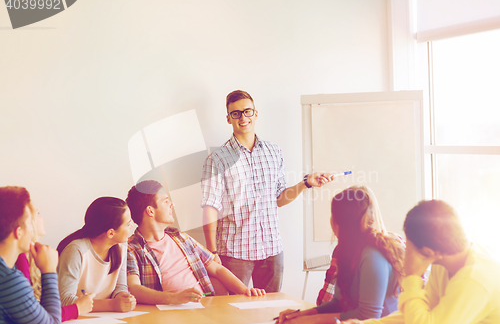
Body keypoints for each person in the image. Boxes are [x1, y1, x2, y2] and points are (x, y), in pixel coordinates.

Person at [201, 89, 334, 292]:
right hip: (235, 252)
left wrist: (305, 183)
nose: (243, 117)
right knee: (233, 313)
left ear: (255, 113)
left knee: (269, 312)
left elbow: (279, 198)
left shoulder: (274, 152)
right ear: (228, 119)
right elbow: (210, 207)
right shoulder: (217, 159)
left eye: (247, 111)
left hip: (271, 250)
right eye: (236, 113)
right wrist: (211, 251)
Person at [334, 200, 500, 324]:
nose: (406, 252)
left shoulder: (475, 278)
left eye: (409, 246)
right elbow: (420, 318)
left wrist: (412, 277)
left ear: (428, 252)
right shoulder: (443, 263)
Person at [275, 185, 405, 324]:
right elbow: (338, 303)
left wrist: (311, 320)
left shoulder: (373, 256)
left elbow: (368, 317)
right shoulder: (346, 250)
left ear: (341, 223)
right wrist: (303, 314)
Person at [126, 180, 266, 305]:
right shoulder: (131, 249)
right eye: (165, 201)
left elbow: (217, 269)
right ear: (150, 211)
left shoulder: (180, 237)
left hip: (205, 306)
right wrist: (173, 298)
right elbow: (134, 289)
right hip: (166, 314)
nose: (172, 204)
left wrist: (246, 291)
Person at [0, 186, 60, 324]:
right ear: (18, 232)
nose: (33, 228)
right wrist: (49, 271)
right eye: (29, 223)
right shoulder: (9, 280)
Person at [15, 203, 94, 321]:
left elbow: (41, 312)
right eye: (38, 213)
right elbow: (39, 319)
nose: (42, 218)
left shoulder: (30, 256)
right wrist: (77, 308)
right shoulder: (20, 258)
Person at [57, 197, 136, 312]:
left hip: (107, 320)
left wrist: (123, 298)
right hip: (77, 322)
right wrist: (112, 305)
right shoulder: (76, 250)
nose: (132, 226)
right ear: (111, 233)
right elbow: (64, 300)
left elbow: (120, 287)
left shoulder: (121, 248)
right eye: (128, 224)